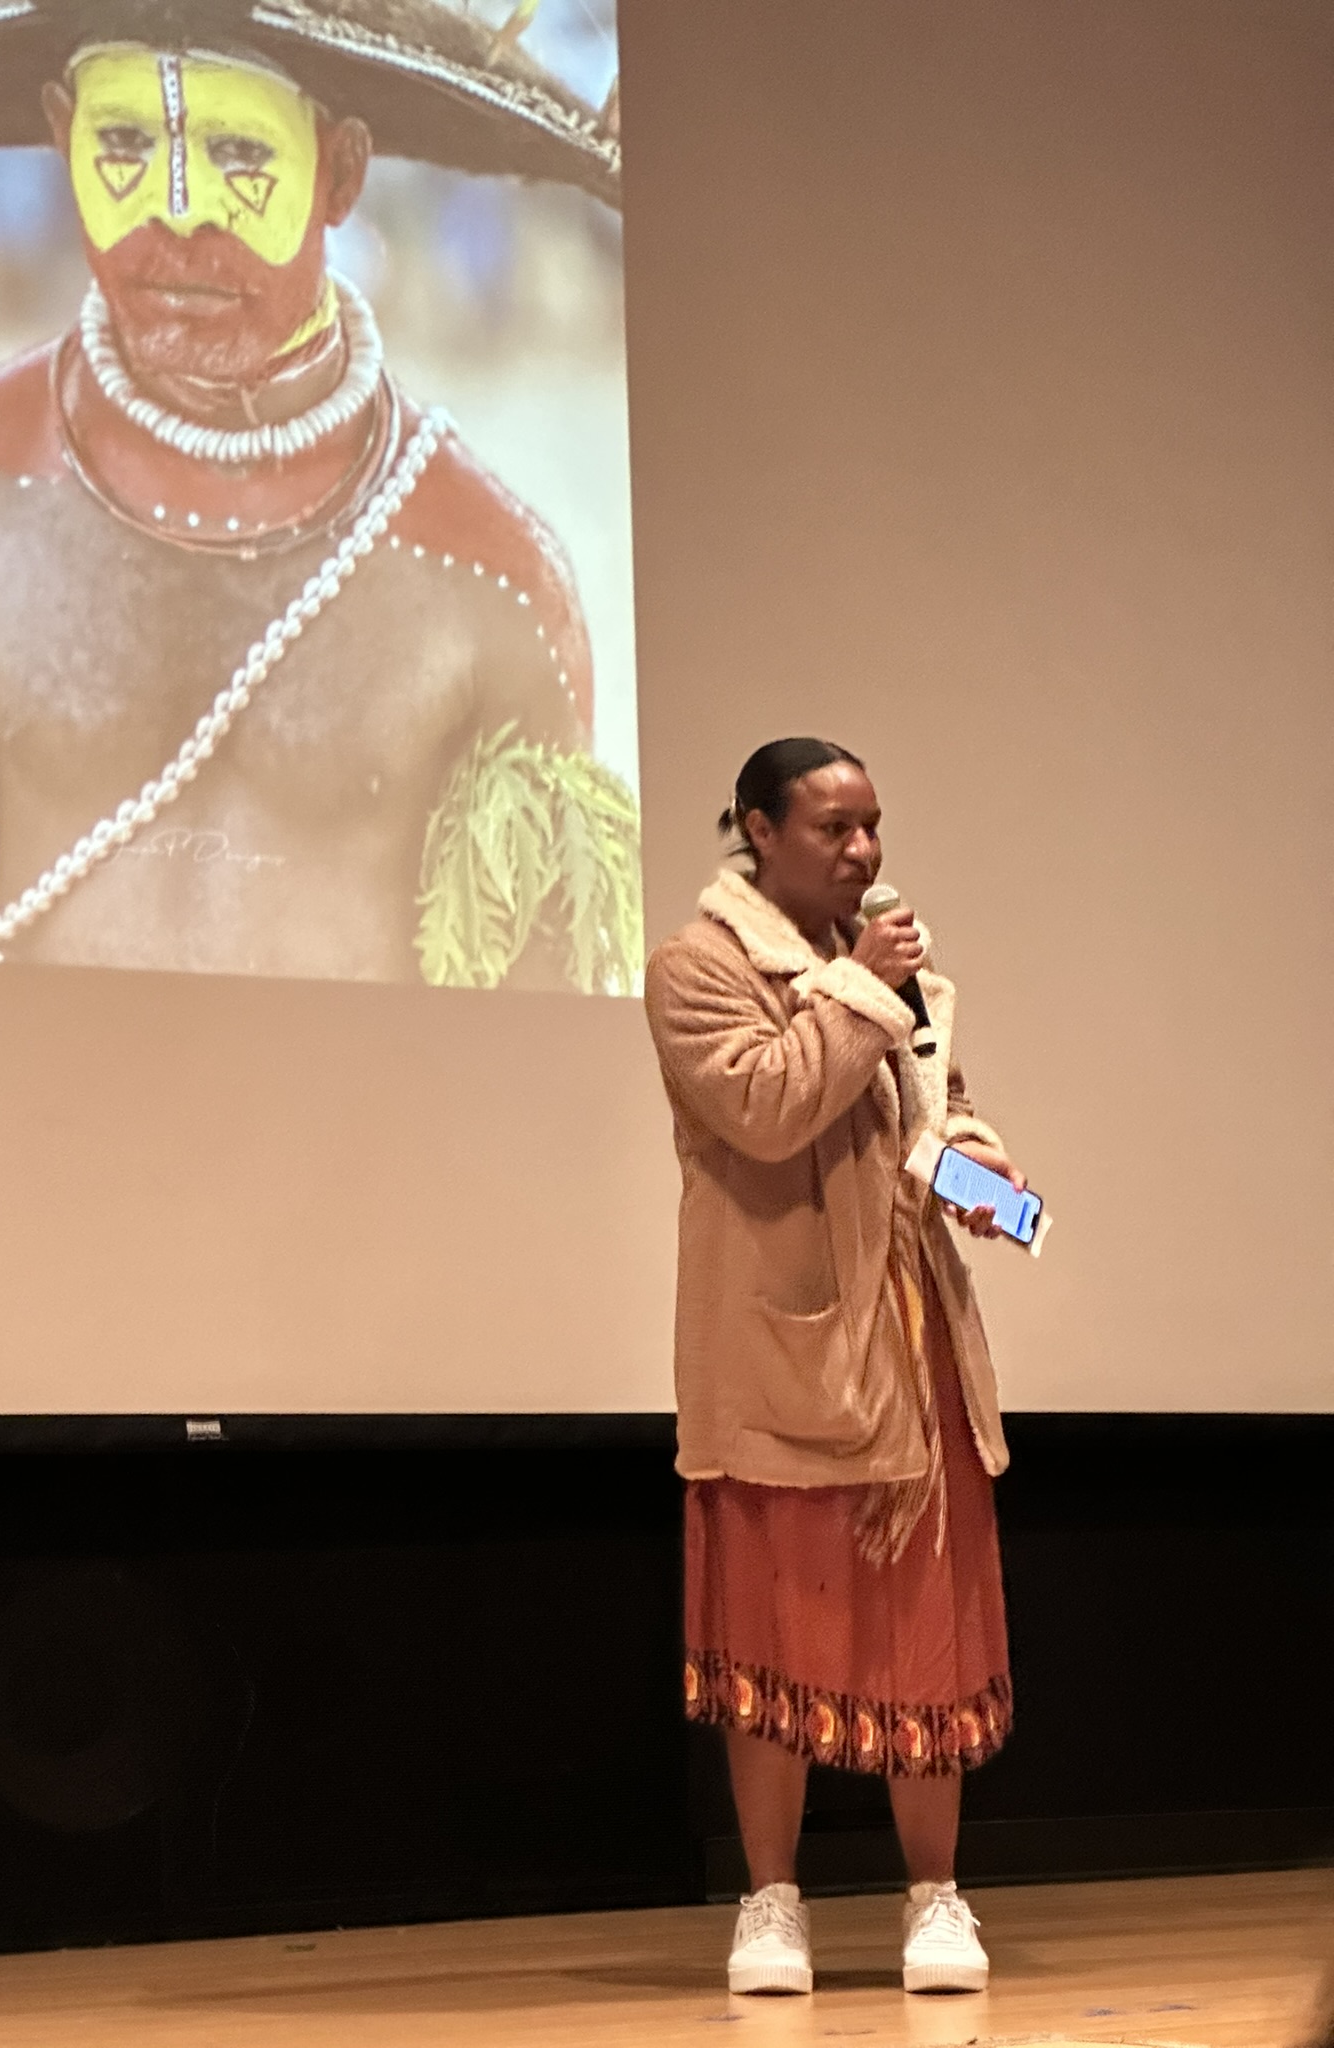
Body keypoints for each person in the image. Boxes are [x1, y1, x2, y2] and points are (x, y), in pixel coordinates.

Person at [0, 0, 637, 989]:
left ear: (341, 173)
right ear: (62, 137)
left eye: (239, 154)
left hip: (354, 1140)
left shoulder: (491, 576)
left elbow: (530, 1049)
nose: (177, 208)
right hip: (36, 1129)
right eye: (122, 143)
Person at [643, 736, 1025, 1997]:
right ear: (758, 828)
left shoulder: (894, 970)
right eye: (833, 829)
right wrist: (858, 991)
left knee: (925, 1623)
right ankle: (771, 1900)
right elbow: (765, 1108)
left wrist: (983, 1175)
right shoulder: (698, 969)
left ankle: (935, 1897)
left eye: (872, 827)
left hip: (913, 1346)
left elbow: (925, 1123)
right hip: (781, 1350)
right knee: (779, 1628)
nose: (863, 852)